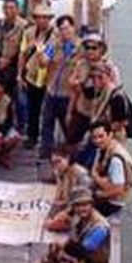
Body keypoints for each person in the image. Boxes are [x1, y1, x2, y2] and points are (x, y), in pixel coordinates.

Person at [30, 14, 81, 156]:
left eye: (67, 28)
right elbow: (43, 63)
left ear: (73, 28)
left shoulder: (80, 48)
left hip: (68, 94)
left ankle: (72, 153)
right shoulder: (54, 44)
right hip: (52, 91)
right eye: (62, 29)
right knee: (47, 123)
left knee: (68, 126)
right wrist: (40, 53)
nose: (65, 32)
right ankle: (45, 152)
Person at [17, 4, 54, 149]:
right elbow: (22, 53)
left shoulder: (55, 36)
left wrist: (40, 52)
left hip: (47, 79)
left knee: (48, 111)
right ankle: (32, 136)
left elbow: (47, 59)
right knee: (33, 108)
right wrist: (19, 75)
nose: (42, 20)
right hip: (31, 76)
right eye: (39, 17)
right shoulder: (28, 33)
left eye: (45, 17)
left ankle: (46, 140)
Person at [90, 121, 132, 217]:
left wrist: (97, 193)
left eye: (101, 136)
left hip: (112, 203)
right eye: (94, 138)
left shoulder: (115, 160)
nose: (97, 141)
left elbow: (118, 189)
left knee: (78, 204)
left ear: (110, 135)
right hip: (106, 192)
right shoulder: (106, 148)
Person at [45, 148, 91, 232]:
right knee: (50, 220)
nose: (56, 165)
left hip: (82, 205)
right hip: (69, 203)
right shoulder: (58, 171)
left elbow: (84, 198)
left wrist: (67, 212)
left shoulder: (80, 173)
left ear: (68, 158)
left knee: (54, 224)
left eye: (59, 161)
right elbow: (59, 192)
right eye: (54, 163)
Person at [0, 0, 25, 94]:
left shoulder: (24, 26)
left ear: (17, 9)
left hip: (14, 66)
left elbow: (23, 49)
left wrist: (9, 61)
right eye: (6, 8)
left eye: (11, 8)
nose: (8, 11)